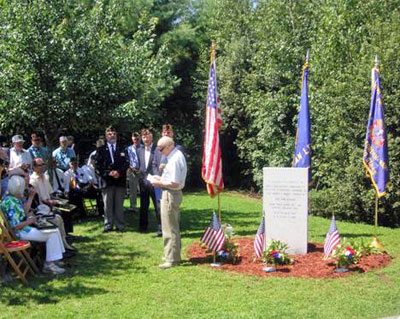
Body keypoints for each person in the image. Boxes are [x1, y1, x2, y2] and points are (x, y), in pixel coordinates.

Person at [1, 175, 66, 274]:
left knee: (54, 229)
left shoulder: (12, 199)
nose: (25, 189)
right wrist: (30, 221)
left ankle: (54, 260)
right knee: (52, 233)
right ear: (19, 188)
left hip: (24, 229)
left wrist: (30, 198)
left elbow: (23, 212)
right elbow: (15, 226)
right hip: (20, 232)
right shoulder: (11, 203)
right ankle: (49, 264)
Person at [150, 136, 187, 269]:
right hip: (170, 193)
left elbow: (174, 182)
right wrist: (160, 178)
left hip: (171, 194)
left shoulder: (176, 158)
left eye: (161, 149)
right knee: (170, 225)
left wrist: (158, 182)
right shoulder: (174, 156)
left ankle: (172, 259)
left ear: (170, 146)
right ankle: (171, 254)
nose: (159, 151)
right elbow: (171, 178)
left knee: (170, 227)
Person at [29, 158, 76, 252]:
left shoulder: (45, 177)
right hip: (42, 208)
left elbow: (50, 194)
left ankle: (65, 237)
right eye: (40, 165)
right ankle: (62, 243)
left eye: (43, 164)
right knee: (58, 215)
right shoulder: (33, 181)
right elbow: (39, 200)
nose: (43, 167)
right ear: (34, 167)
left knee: (68, 207)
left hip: (50, 203)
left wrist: (58, 201)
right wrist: (52, 202)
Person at [95, 126, 129, 232]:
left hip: (120, 181)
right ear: (106, 136)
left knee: (119, 205)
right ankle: (108, 225)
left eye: (114, 133)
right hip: (107, 181)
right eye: (109, 134)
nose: (112, 135)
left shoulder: (123, 149)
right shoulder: (100, 150)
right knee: (107, 205)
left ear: (116, 135)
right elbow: (97, 166)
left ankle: (120, 225)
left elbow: (126, 163)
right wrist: (108, 173)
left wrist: (119, 172)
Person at [137, 128, 162, 235]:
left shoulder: (157, 150)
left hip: (155, 182)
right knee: (143, 205)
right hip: (143, 182)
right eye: (143, 137)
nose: (146, 139)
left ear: (152, 137)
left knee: (158, 205)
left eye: (148, 136)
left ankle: (161, 228)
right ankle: (143, 227)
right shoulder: (139, 150)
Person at [126, 132, 140, 213]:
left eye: (137, 139)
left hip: (141, 171)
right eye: (134, 139)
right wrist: (131, 168)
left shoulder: (143, 147)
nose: (136, 140)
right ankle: (133, 206)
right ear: (132, 139)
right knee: (132, 190)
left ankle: (144, 206)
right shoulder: (129, 149)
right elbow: (127, 160)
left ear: (140, 138)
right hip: (132, 171)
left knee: (143, 190)